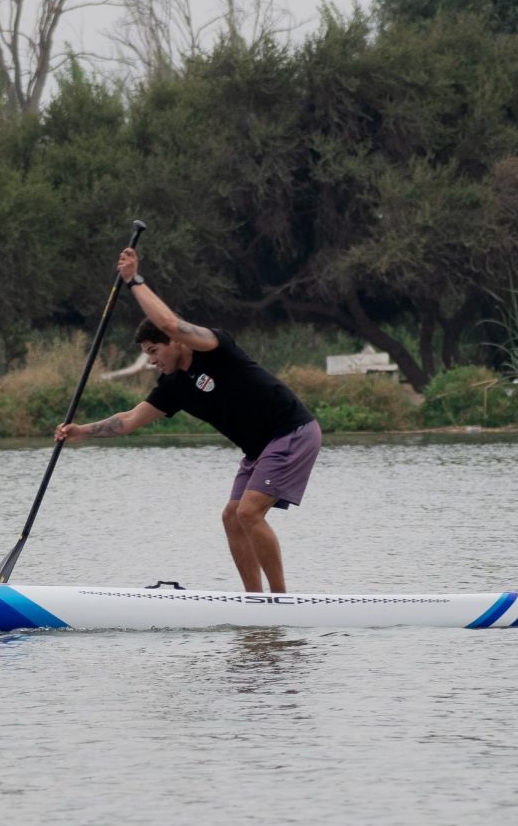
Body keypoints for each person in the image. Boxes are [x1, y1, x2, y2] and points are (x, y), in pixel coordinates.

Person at [55, 251, 323, 592]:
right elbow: (130, 420)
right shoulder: (174, 386)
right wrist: (81, 431)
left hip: (291, 432)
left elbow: (168, 323)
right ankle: (255, 600)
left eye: (154, 351)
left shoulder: (214, 347)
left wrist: (134, 280)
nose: (151, 361)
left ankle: (280, 601)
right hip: (260, 448)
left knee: (248, 513)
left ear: (176, 343)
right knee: (232, 517)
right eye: (147, 354)